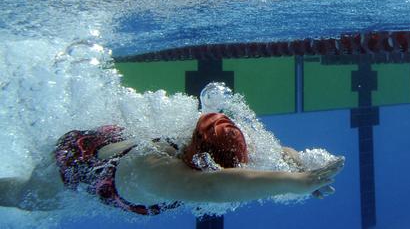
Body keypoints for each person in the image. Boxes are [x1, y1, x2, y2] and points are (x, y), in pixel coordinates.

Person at [0, 112, 344, 215]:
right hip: (76, 159)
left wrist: (301, 167)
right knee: (28, 199)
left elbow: (276, 151)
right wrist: (299, 183)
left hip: (108, 140)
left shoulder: (205, 149)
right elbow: (212, 186)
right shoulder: (156, 171)